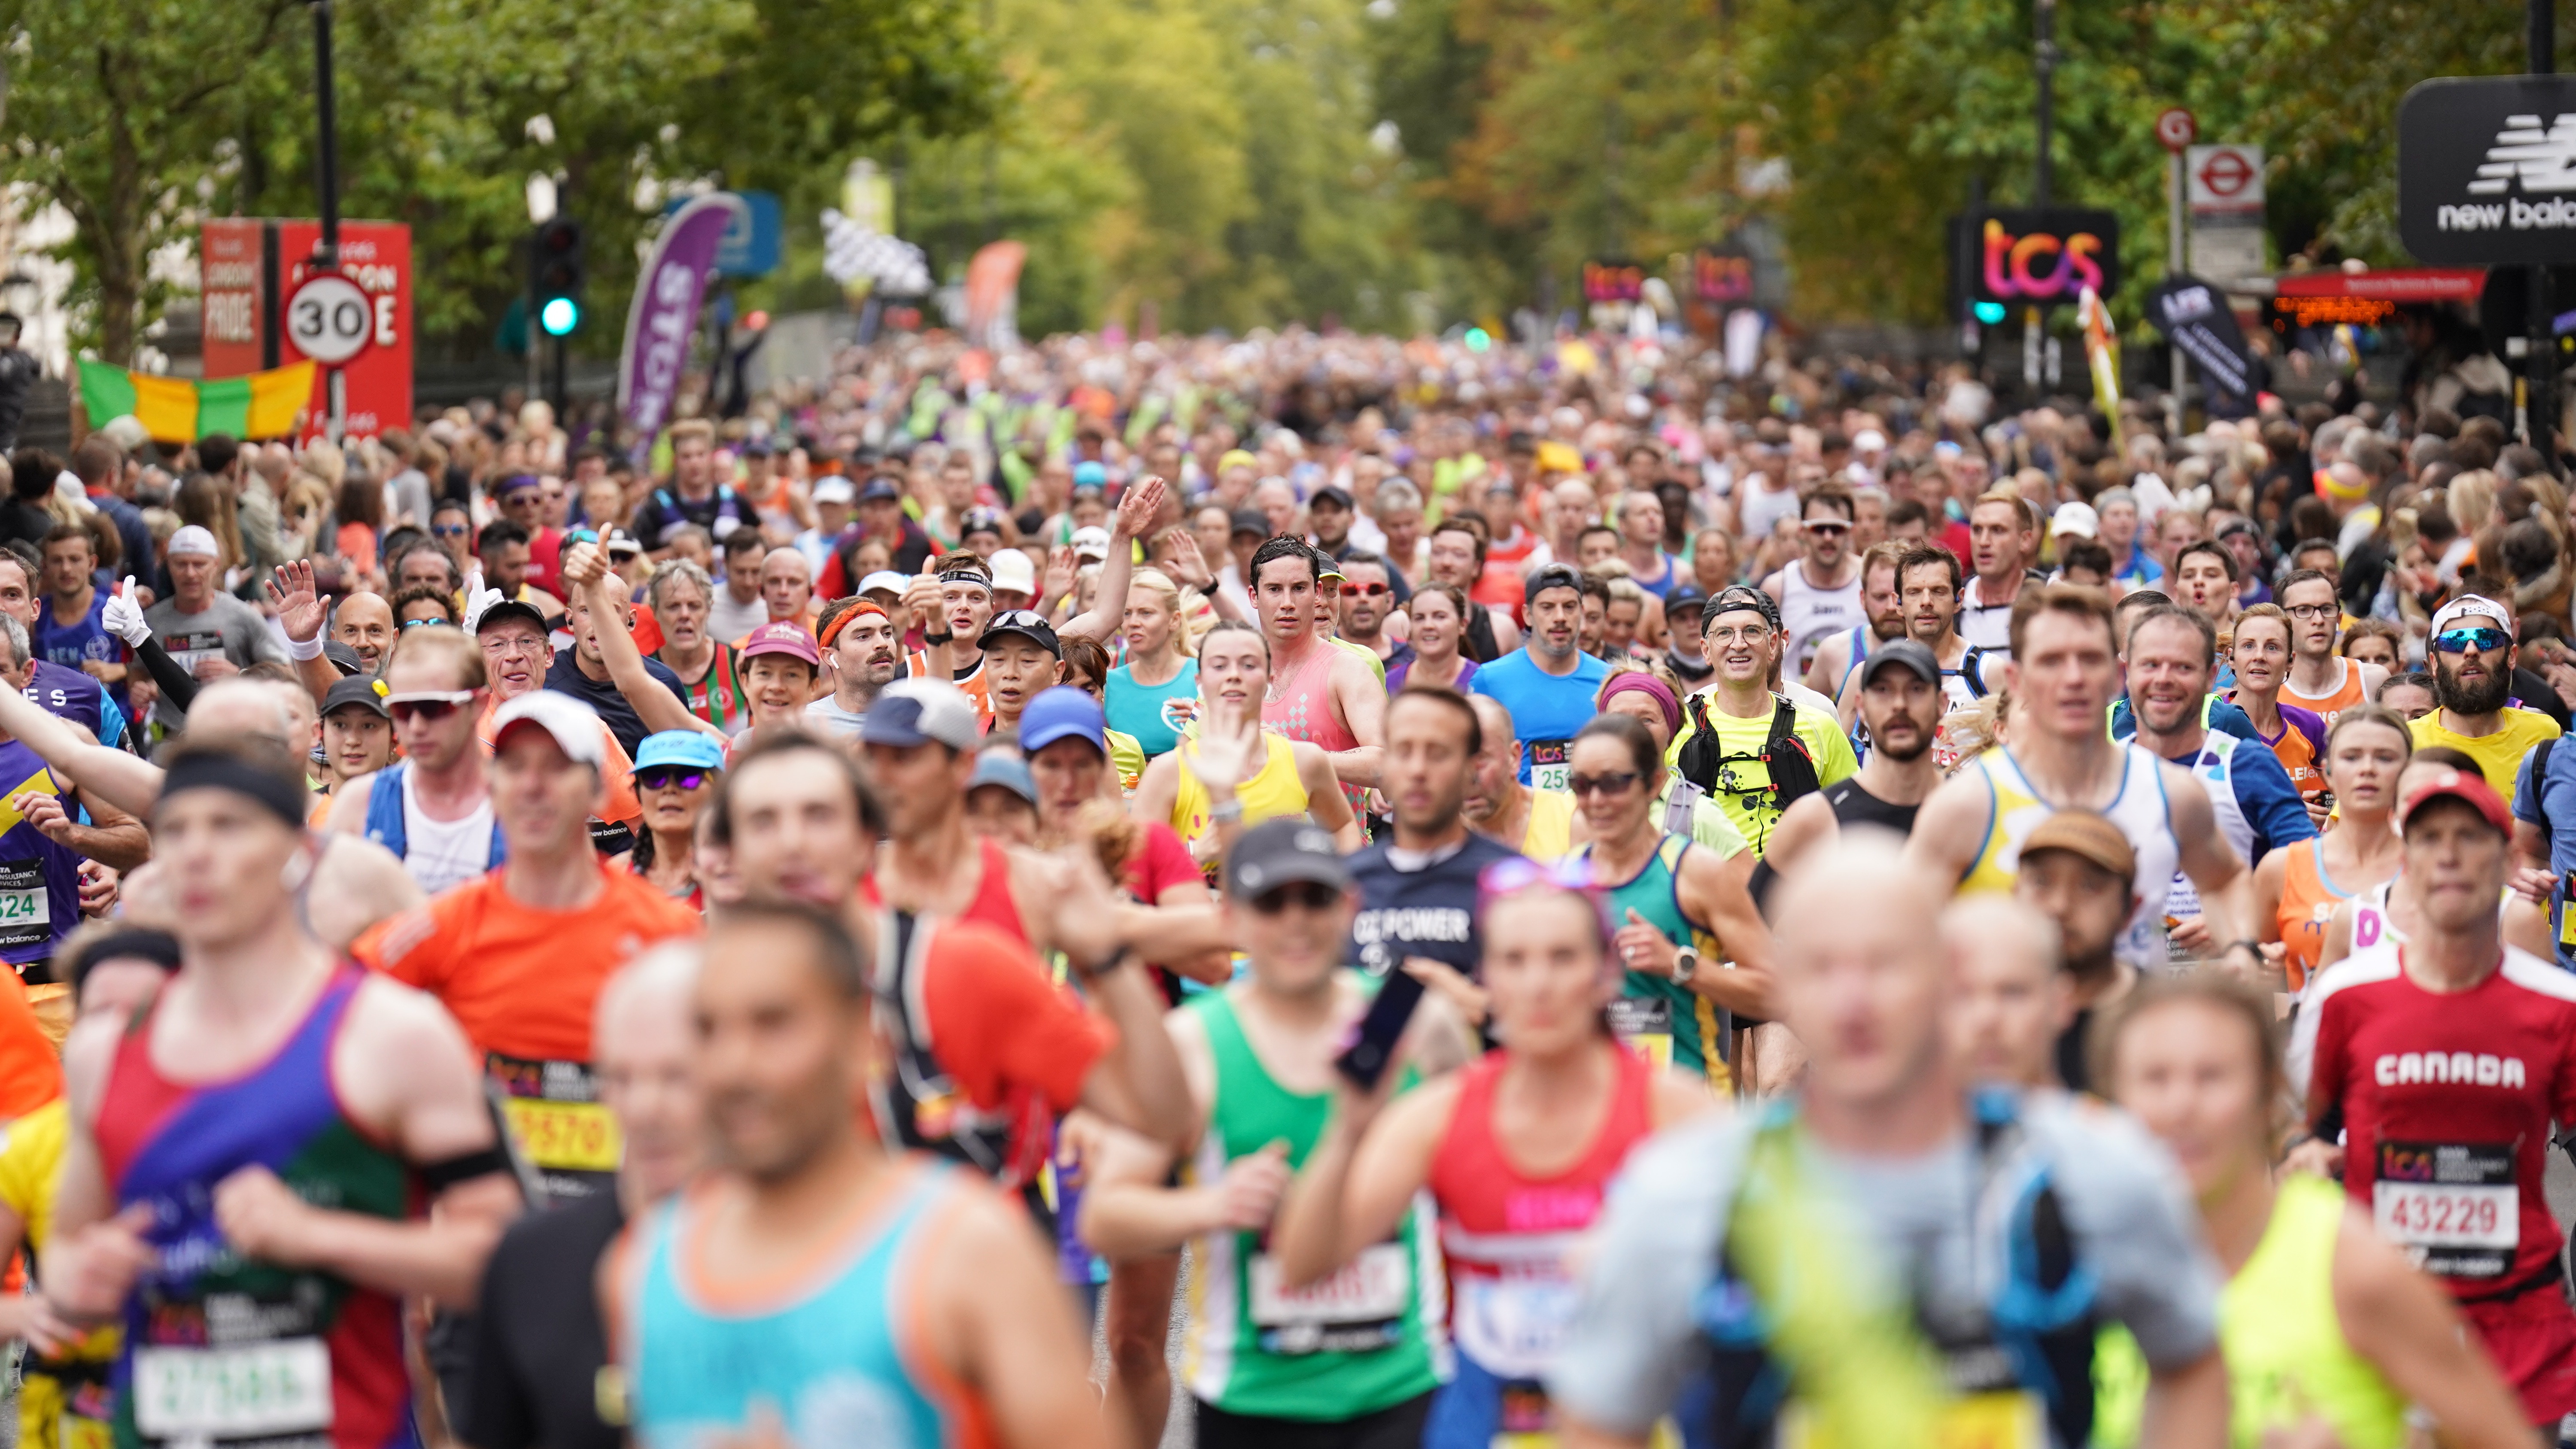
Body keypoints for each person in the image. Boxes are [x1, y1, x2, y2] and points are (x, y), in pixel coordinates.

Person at [1546, 835, 2227, 1449]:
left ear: (1944, 974)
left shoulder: (2086, 1170)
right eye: (1820, 968)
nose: (1854, 1000)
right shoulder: (1688, 1192)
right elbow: (1600, 1418)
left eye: (1885, 962)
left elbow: (2193, 1355)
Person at [44, 734, 523, 1449]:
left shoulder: (393, 1036)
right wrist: (80, 1283)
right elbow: (65, 1258)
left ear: (298, 855)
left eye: (229, 826)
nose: (197, 853)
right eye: (175, 831)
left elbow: (502, 1258)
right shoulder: (104, 1049)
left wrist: (317, 1237)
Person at [611, 902, 1113, 1449]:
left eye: (774, 1024)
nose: (736, 1064)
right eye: (708, 1029)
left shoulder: (972, 1255)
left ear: (864, 1040)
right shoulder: (642, 1269)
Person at [1269, 855, 1714, 1449]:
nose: (1538, 983)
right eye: (1514, 960)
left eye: (1562, 957)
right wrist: (1346, 1130)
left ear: (1605, 970)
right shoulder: (1439, 1115)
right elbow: (1303, 1266)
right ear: (1487, 979)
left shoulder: (1677, 1112)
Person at [1080, 819, 1468, 1449]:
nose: (1295, 920)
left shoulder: (1412, 1019)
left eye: (1313, 898)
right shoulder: (1194, 1043)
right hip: (1253, 1396)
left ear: (1347, 907)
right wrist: (1214, 1204)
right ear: (1230, 918)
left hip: (1402, 1388)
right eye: (1271, 900)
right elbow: (1106, 1215)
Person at [713, 729, 1193, 1184]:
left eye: (819, 815)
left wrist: (1109, 958)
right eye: (763, 822)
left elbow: (1159, 1117)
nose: (793, 843)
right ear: (728, 853)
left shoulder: (968, 968)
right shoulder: (691, 999)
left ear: (866, 839)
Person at [2091, 969, 2534, 1449]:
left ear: (2267, 1097)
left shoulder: (2352, 1263)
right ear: (2114, 1100)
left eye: (2212, 1076)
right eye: (2155, 1079)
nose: (2181, 1105)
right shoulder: (2083, 1261)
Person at [2290, 766, 2576, 1431]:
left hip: (2516, 1312)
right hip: (2379, 1304)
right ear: (2406, 859)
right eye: (2429, 838)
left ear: (2506, 859)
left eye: (2469, 837)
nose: (2448, 855)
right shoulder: (2348, 996)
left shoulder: (2558, 1006)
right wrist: (2303, 1153)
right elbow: (2299, 1125)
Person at [354, 690, 703, 1207]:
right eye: (515, 767)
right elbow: (335, 1015)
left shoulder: (666, 930)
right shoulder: (449, 923)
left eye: (556, 768)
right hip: (489, 1229)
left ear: (595, 792)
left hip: (623, 1220)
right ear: (492, 788)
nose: (534, 786)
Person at [1911, 584, 2264, 972]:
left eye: (2090, 659)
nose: (2074, 677)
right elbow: (1903, 938)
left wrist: (2240, 947)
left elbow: (2227, 881)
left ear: (2117, 675)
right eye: (2051, 661)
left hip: (2131, 1025)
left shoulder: (2171, 793)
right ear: (2015, 680)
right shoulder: (1967, 805)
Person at [466, 943, 702, 1449]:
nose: (645, 1108)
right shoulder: (530, 1262)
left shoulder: (815, 1256)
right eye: (620, 1079)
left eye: (676, 1076)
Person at [0, 923, 178, 1449]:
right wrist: (24, 1314)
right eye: (99, 1014)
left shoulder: (243, 1125)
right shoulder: (37, 1144)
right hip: (77, 1417)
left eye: (146, 1010)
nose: (120, 1033)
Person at [1563, 714, 1775, 1084]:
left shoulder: (1698, 872)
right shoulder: (1565, 879)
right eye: (1582, 785)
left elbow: (1776, 992)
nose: (1596, 800)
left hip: (1687, 1112)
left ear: (1654, 784)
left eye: (1613, 783)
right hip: (1595, 1104)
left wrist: (1680, 964)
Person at [2122, 605, 2316, 959]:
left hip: (2228, 986)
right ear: (2128, 673)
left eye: (2183, 667)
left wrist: (2244, 926)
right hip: (2127, 997)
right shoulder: (2103, 768)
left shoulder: (2247, 764)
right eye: (2150, 664)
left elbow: (2308, 872)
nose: (2164, 678)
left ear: (2212, 676)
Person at [1345, 688, 1527, 1023]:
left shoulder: (1514, 883)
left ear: (1470, 767)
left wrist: (1474, 1004)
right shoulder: (1346, 886)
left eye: (1438, 753)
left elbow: (1555, 1015)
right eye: (1403, 751)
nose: (1417, 770)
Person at [1137, 620, 1362, 867]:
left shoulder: (1306, 761)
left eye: (1248, 665)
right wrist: (1193, 852)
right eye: (1220, 666)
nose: (1234, 676)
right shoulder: (1167, 773)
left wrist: (1342, 881)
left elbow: (1343, 826)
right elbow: (1136, 866)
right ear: (1200, 681)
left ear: (1269, 679)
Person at [1667, 586, 1859, 856]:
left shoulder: (1819, 725)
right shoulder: (1678, 726)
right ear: (1706, 650)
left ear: (1773, 645)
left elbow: (1854, 819)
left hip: (1794, 892)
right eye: (1724, 634)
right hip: (1708, 891)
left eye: (1752, 631)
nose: (1738, 644)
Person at [1758, 638, 1948, 893]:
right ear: (1861, 707)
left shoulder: (1975, 811)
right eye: (1883, 690)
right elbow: (1748, 922)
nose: (1899, 705)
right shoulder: (1817, 818)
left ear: (1942, 704)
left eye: (1916, 689)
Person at [329, 626, 505, 894]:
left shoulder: (526, 802)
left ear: (478, 705)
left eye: (433, 707)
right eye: (401, 709)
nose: (416, 726)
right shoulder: (360, 805)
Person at [2257, 705, 2410, 994]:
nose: (2367, 768)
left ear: (2408, 771)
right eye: (2351, 757)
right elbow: (2255, 978)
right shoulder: (2280, 868)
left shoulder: (2428, 869)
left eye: (2385, 758)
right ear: (2327, 770)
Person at [1254, 536, 1386, 813]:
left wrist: (1294, 755)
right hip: (1255, 852)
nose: (1287, 603)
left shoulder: (1348, 669)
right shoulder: (1233, 671)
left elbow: (1386, 761)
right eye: (1274, 589)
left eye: (1299, 589)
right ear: (1255, 597)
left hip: (1337, 853)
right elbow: (1193, 755)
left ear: (1316, 592)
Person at [1468, 562, 1607, 791]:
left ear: (1582, 614)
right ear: (1528, 616)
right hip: (1519, 820)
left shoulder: (1608, 681)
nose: (1560, 617)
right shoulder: (1489, 680)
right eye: (1548, 607)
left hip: (1591, 817)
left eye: (1570, 607)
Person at [140, 523, 286, 732]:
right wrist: (144, 688)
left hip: (233, 735)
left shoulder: (243, 616)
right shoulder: (152, 620)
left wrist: (241, 675)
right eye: (181, 564)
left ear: (216, 565)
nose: (190, 574)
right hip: (171, 737)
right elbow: (138, 671)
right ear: (168, 565)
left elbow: (285, 674)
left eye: (199, 564)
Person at [2411, 593, 2561, 790]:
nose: (2471, 650)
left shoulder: (2544, 734)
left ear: (2511, 656)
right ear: (2434, 663)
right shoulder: (2408, 742)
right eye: (2455, 641)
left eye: (2487, 639)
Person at [1940, 894, 2073, 1089]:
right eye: (1961, 995)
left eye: (2013, 993)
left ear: (2060, 1004)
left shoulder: (2110, 1121)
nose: (1986, 1019)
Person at [2224, 603, 2329, 811]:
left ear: (2291, 661)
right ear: (2231, 658)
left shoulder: (2309, 725)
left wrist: (2323, 818)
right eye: (2248, 646)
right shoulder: (2209, 719)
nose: (2259, 657)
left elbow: (2343, 794)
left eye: (2273, 647)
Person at [1760, 484, 1862, 675]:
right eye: (1819, 528)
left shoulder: (1869, 579)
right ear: (1802, 532)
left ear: (1851, 532)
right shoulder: (1778, 587)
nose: (1828, 537)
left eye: (1837, 529)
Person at [1463, 695, 1577, 860]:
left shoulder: (1572, 819)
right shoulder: (1430, 839)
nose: (1468, 777)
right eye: (1457, 760)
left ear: (1514, 757)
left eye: (1481, 760)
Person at [619, 729, 721, 911]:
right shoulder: (615, 876)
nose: (669, 789)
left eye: (688, 777)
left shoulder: (744, 879)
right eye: (654, 778)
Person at [644, 559, 748, 735]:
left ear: (709, 609)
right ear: (655, 611)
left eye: (694, 606)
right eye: (673, 606)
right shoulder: (643, 674)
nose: (684, 615)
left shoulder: (739, 664)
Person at [1105, 565, 1199, 756]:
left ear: (1174, 620)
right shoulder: (1108, 683)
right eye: (1127, 613)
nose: (1134, 623)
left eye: (1146, 613)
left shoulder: (1204, 677)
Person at [1800, 540, 1906, 703]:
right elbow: (1803, 718)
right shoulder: (1834, 652)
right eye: (1880, 597)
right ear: (1863, 599)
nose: (1891, 607)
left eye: (1899, 597)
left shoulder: (1939, 650)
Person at [2278, 568, 2387, 723]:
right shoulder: (2268, 691)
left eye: (2326, 609)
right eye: (2303, 610)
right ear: (2282, 622)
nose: (2319, 620)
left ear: (2339, 619)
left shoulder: (2373, 680)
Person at [33, 524, 123, 711]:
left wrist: (120, 670)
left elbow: (149, 670)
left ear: (92, 564)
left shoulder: (114, 608)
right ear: (45, 566)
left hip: (111, 724)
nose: (66, 569)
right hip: (55, 725)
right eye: (57, 561)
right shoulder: (34, 616)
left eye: (75, 560)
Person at [1956, 488, 2041, 655]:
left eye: (1997, 530)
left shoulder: (2050, 596)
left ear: (2025, 540)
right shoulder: (1954, 602)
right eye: (1977, 530)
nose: (1984, 542)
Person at [806, 596, 899, 738]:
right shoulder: (805, 727)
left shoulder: (915, 715)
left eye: (887, 634)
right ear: (829, 656)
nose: (882, 643)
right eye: (863, 637)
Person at [316, 675, 396, 823]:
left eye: (368, 726)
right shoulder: (302, 816)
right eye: (340, 725)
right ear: (320, 734)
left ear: (394, 736)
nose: (353, 741)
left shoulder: (411, 812)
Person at [1388, 580, 1476, 694]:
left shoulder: (1480, 682)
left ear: (1462, 625)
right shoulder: (1389, 684)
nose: (1428, 626)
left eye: (1440, 617)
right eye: (1419, 618)